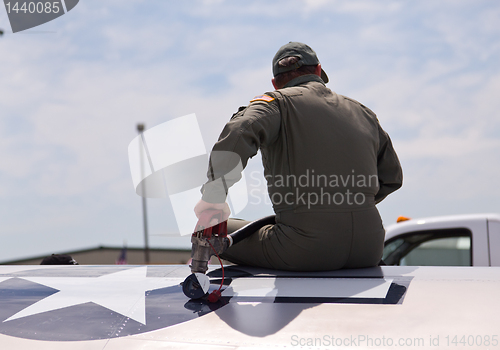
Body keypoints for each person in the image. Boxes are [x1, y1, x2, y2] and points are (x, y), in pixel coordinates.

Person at [194, 42, 402, 271]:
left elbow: (240, 130)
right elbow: (392, 178)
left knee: (206, 230)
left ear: (275, 82)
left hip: (304, 251)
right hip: (369, 249)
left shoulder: (277, 103)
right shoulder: (363, 112)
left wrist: (213, 198)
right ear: (318, 71)